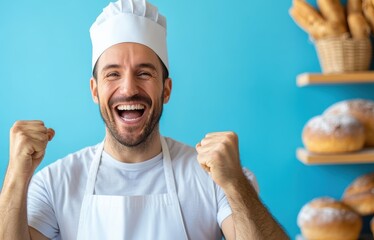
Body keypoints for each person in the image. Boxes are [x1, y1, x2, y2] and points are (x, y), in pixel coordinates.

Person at [0, 0, 290, 239]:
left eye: (144, 73)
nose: (128, 88)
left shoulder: (213, 178)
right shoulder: (55, 183)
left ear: (166, 89)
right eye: (113, 74)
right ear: (95, 90)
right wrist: (16, 175)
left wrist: (236, 183)